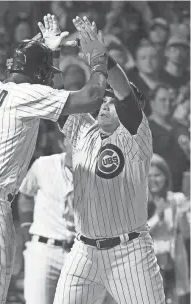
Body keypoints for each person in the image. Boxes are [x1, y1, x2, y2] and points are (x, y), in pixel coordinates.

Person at [0, 14, 110, 304]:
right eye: (47, 71)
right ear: (39, 73)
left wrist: (46, 49)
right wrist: (99, 59)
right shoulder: (25, 95)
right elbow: (91, 97)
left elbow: (34, 75)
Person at [54, 17, 165, 304]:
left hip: (129, 253)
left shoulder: (135, 134)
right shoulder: (84, 130)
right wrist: (52, 54)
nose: (105, 103)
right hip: (83, 253)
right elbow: (56, 98)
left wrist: (102, 57)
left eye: (111, 100)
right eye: (103, 99)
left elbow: (125, 92)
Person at [18, 135, 76, 304]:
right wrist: (26, 223)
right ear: (62, 142)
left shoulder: (101, 171)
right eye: (74, 138)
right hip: (44, 249)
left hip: (79, 252)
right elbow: (26, 193)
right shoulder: (44, 164)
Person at [148, 154, 190, 304]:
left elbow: (186, 234)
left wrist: (184, 215)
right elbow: (137, 235)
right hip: (149, 265)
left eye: (157, 175)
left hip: (173, 262)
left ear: (166, 176)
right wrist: (157, 216)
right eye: (149, 175)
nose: (153, 180)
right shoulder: (139, 203)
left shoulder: (176, 199)